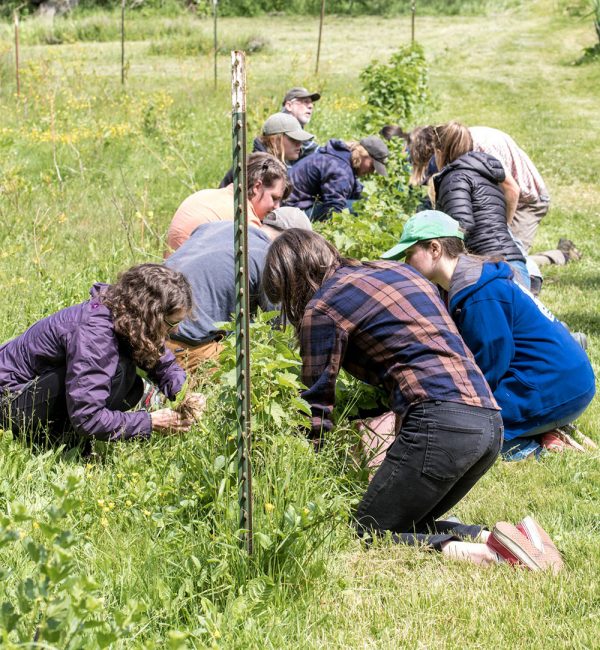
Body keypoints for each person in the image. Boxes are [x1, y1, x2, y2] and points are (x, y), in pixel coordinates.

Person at [261, 229, 562, 571]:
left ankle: (493, 557)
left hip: (443, 424)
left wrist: (300, 475)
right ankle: (503, 537)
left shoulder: (323, 307)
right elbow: (425, 353)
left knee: (367, 531)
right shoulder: (396, 271)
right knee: (406, 523)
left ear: (291, 281)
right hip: (488, 422)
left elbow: (315, 405)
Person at [383, 211, 596, 460]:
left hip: (559, 387)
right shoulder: (470, 280)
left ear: (434, 248)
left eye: (409, 254)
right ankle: (542, 426)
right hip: (552, 381)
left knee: (458, 436)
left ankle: (537, 445)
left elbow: (487, 367)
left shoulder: (480, 293)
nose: (406, 263)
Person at [0, 264, 205, 448]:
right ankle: (56, 440)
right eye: (171, 323)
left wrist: (184, 394)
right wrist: (150, 422)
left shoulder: (125, 316)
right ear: (150, 314)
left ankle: (63, 436)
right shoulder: (95, 335)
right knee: (118, 373)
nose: (176, 331)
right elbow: (87, 416)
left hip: (31, 393)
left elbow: (163, 363)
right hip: (9, 403)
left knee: (131, 386)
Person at [165, 207, 312, 372]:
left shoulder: (217, 226)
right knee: (251, 370)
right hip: (178, 345)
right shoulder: (270, 258)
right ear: (291, 244)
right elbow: (278, 331)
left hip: (144, 324)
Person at [431, 121, 529, 288]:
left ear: (440, 152)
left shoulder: (454, 179)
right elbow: (511, 192)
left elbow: (461, 226)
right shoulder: (484, 170)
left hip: (492, 270)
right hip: (516, 264)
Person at [166, 153, 290, 255]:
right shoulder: (245, 218)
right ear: (257, 186)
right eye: (274, 198)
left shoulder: (208, 194)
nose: (277, 207)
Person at [286, 136, 389, 221]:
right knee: (359, 207)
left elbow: (352, 187)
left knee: (362, 202)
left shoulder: (341, 156)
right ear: (364, 155)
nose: (372, 171)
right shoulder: (341, 170)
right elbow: (334, 209)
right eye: (372, 166)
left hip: (294, 204)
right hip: (293, 213)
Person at [219, 114, 314, 188]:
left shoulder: (268, 164)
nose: (300, 144)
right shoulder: (258, 168)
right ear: (275, 139)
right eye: (293, 139)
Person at [281, 86, 321, 159]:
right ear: (289, 106)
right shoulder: (280, 129)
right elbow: (320, 153)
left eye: (312, 103)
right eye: (305, 102)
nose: (311, 106)